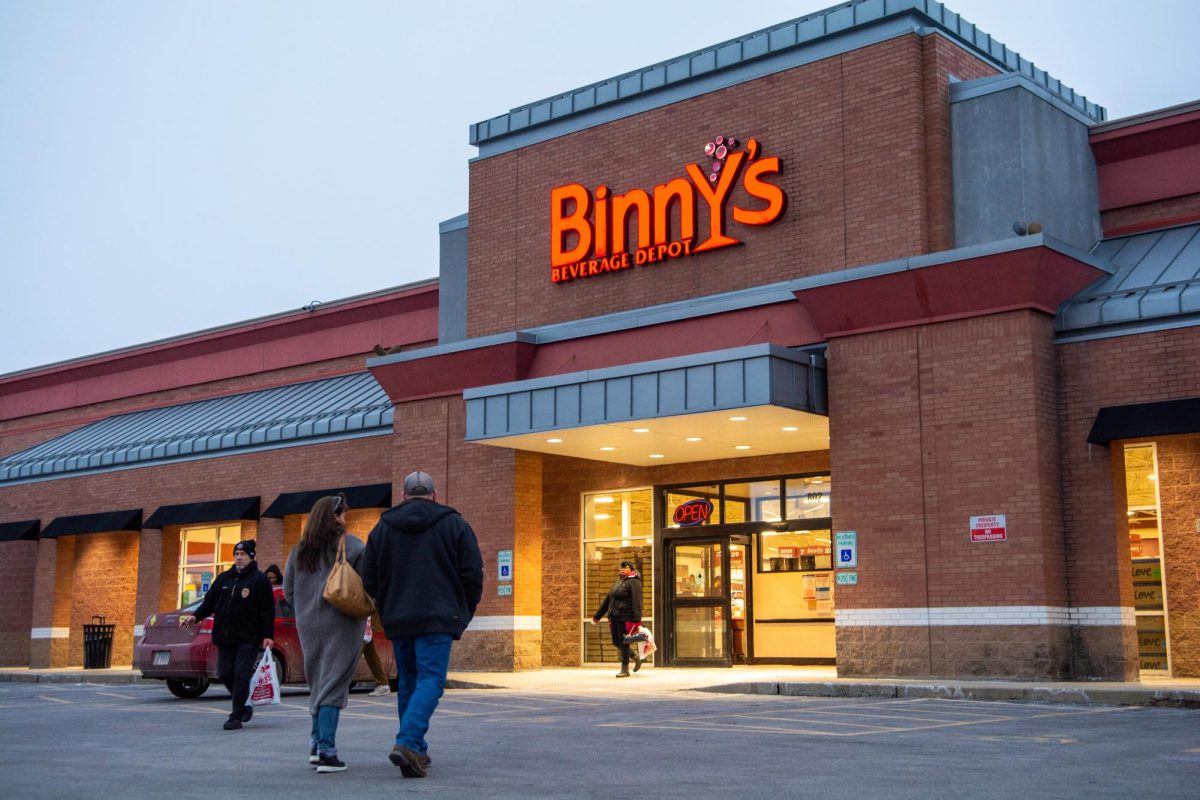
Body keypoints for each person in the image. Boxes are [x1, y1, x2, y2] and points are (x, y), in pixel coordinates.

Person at [361, 470, 483, 779]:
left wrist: (388, 604)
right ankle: (407, 742)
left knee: (409, 684)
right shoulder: (454, 524)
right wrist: (464, 609)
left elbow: (369, 579)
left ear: (402, 496)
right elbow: (473, 573)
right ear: (434, 494)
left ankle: (416, 749)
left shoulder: (382, 529)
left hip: (399, 618)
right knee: (431, 680)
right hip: (438, 616)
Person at [283, 494, 365, 774]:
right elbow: (368, 582)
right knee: (333, 683)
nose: (345, 519)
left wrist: (306, 608)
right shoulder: (351, 545)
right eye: (343, 514)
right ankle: (328, 751)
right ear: (335, 516)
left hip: (308, 624)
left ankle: (316, 746)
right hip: (342, 622)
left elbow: (288, 591)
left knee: (318, 681)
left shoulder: (299, 550)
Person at [179, 539, 274, 730]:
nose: (239, 558)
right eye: (236, 555)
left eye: (243, 555)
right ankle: (244, 702)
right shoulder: (224, 579)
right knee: (224, 673)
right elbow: (209, 602)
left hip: (248, 637)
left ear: (251, 557)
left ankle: (236, 716)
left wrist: (267, 635)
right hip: (225, 636)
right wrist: (195, 616)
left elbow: (267, 611)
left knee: (240, 675)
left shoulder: (258, 580)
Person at [590, 560, 643, 677]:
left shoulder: (634, 582)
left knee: (624, 642)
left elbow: (637, 601)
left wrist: (637, 620)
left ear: (630, 568)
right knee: (616, 641)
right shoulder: (619, 581)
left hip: (626, 617)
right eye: (621, 568)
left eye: (625, 568)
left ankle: (625, 669)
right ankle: (634, 656)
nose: (622, 570)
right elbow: (608, 599)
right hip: (614, 616)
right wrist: (597, 616)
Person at [362, 610, 392, 697]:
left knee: (352, 654)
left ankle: (337, 684)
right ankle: (383, 684)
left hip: (362, 618)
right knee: (371, 654)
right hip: (365, 618)